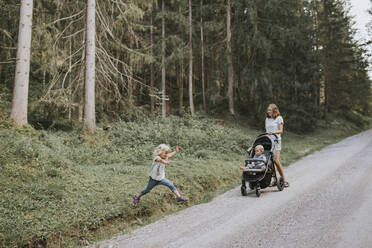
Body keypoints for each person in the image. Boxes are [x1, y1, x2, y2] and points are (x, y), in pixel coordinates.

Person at [265, 103, 289, 187]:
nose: (268, 111)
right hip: (268, 142)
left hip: (276, 141)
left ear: (274, 110)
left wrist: (273, 133)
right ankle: (275, 180)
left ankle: (284, 180)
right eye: (268, 110)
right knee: (270, 163)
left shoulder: (279, 118)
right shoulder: (267, 119)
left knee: (276, 161)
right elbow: (267, 130)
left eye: (270, 110)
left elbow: (281, 131)